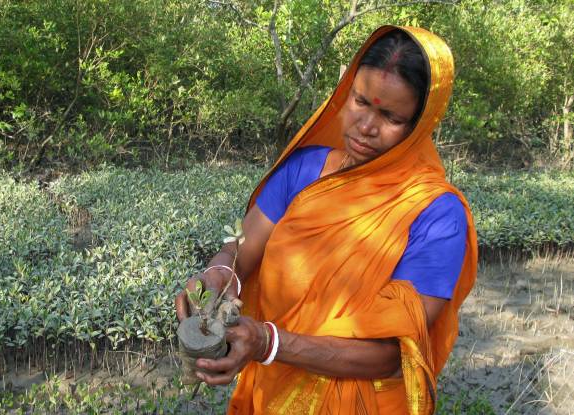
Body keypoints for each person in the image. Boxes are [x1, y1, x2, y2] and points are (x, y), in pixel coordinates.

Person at [175, 25, 477, 414]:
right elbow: (240, 252)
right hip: (273, 392)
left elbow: (390, 353)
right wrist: (218, 274)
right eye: (360, 101)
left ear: (420, 125)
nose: (366, 126)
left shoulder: (437, 215)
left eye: (391, 116)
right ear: (345, 91)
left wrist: (269, 343)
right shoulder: (303, 171)